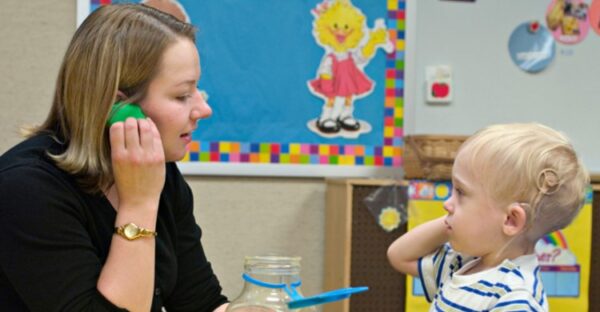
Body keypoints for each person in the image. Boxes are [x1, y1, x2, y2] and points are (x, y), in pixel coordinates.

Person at [0, 4, 228, 312]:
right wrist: (138, 204)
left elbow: (200, 304)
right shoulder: (26, 189)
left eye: (197, 89)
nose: (203, 109)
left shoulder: (160, 172)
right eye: (182, 95)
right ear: (118, 108)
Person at [387, 123, 589, 311]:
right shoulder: (461, 262)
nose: (446, 204)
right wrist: (452, 220)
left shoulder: (516, 296)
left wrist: (457, 219)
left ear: (511, 220)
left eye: (461, 192)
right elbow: (399, 256)